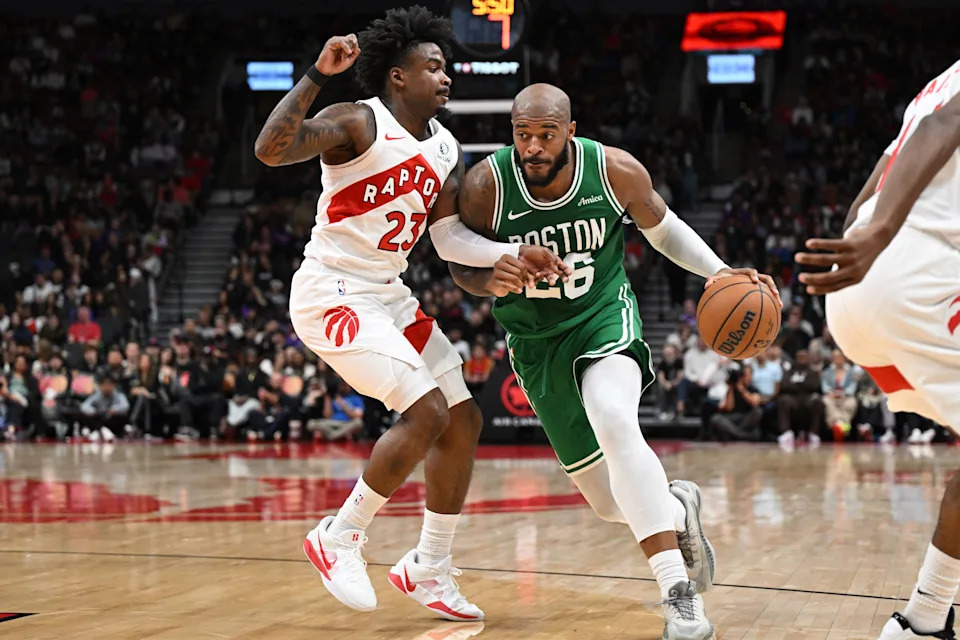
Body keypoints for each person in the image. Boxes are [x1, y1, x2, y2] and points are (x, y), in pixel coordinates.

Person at [253, 7, 568, 621]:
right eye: (433, 67)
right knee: (423, 410)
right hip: (332, 290)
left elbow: (447, 239)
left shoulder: (446, 146)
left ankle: (428, 567)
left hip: (388, 294)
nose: (445, 77)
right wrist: (318, 74)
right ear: (397, 76)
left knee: (462, 419)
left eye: (446, 67)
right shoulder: (357, 121)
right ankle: (339, 535)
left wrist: (509, 253)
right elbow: (271, 150)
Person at [449, 83, 781, 640]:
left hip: (602, 317)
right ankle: (675, 508)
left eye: (545, 134)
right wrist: (487, 278)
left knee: (615, 416)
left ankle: (679, 594)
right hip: (536, 344)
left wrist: (719, 272)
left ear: (569, 132)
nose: (532, 146)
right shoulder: (487, 184)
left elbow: (663, 228)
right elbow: (461, 264)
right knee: (608, 504)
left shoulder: (614, 170)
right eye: (522, 134)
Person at [795, 59, 960, 640]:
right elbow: (946, 126)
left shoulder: (941, 77)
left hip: (862, 288)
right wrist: (880, 236)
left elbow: (878, 177)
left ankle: (924, 620)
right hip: (912, 276)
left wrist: (860, 240)